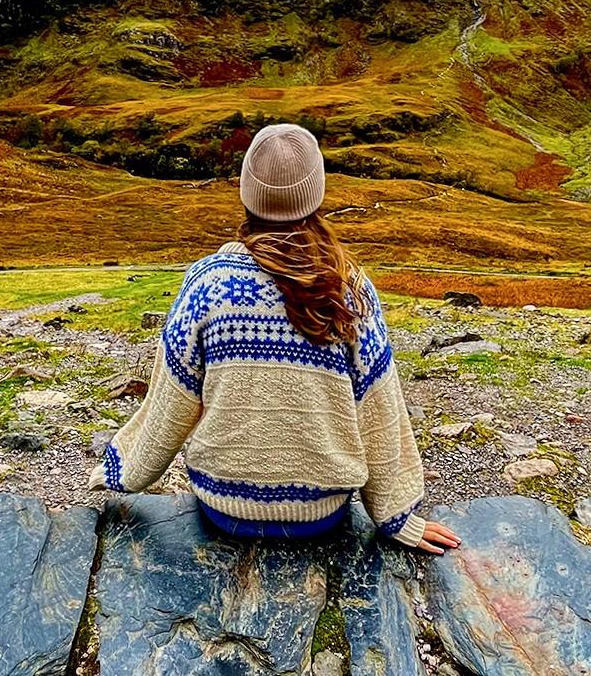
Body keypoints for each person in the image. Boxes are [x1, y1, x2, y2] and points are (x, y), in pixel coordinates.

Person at [88, 123, 461, 554]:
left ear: (248, 193)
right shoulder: (349, 288)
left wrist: (122, 472)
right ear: (316, 195)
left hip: (224, 505)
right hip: (321, 514)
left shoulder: (208, 283)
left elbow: (171, 402)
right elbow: (378, 408)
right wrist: (397, 517)